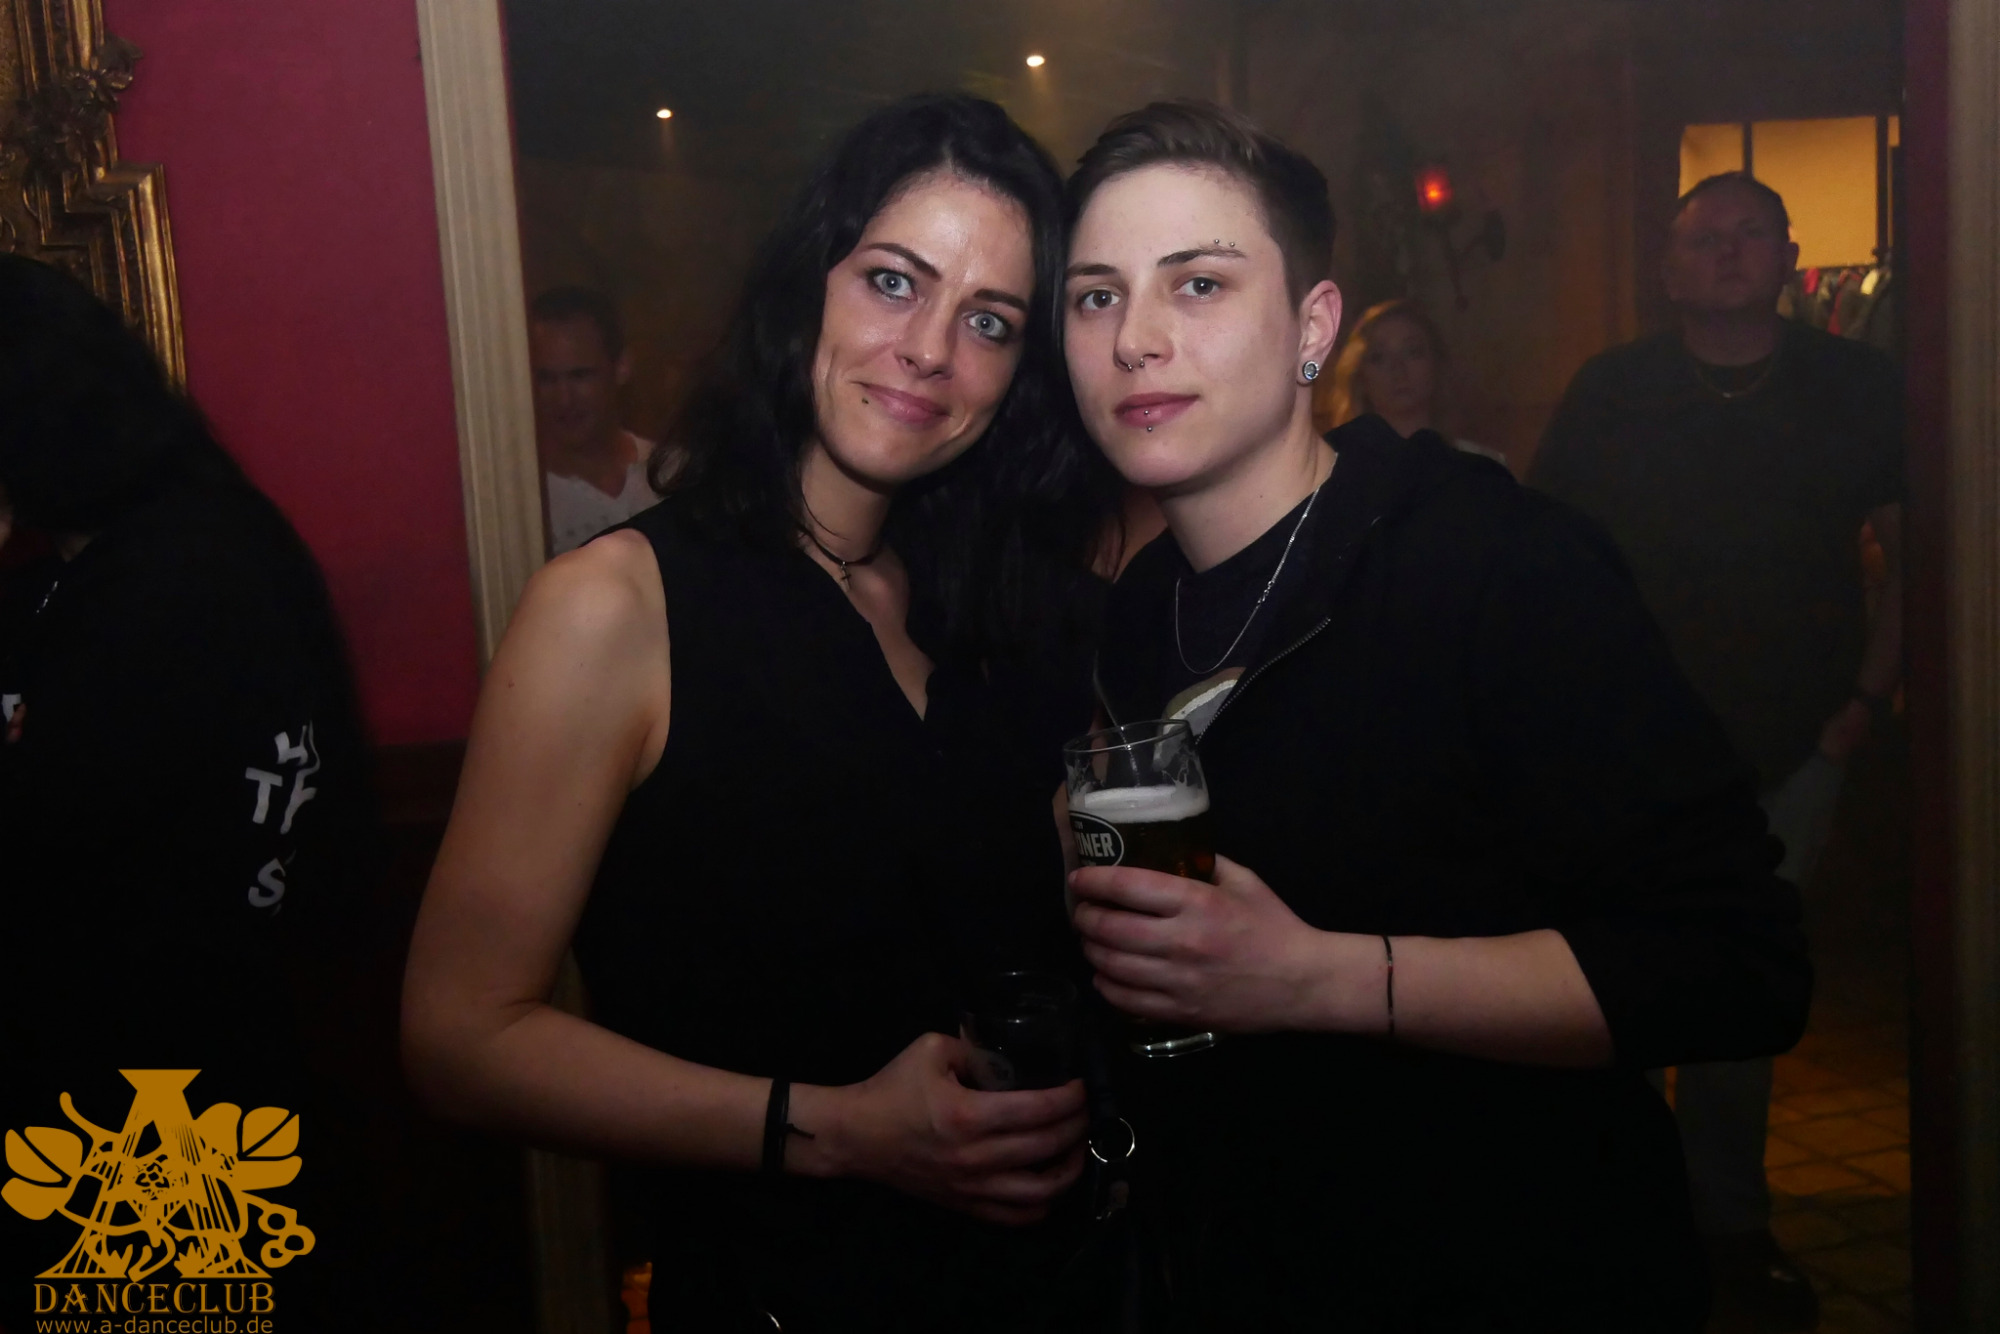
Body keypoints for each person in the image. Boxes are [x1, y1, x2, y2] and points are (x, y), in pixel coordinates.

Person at [1059, 101, 1812, 1331]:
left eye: (1196, 283)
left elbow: (1735, 965)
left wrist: (1317, 977)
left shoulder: (1492, 562)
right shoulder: (1140, 611)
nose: (1135, 338)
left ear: (1312, 328)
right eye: (1095, 297)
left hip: (1510, 1266)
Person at [403, 94, 1120, 1332]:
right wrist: (838, 1129)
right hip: (775, 1295)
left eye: (988, 320)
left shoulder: (1002, 610)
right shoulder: (616, 607)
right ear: (807, 287)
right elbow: (457, 1039)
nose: (929, 349)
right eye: (892, 282)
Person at [1530, 171, 1904, 1329]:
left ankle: (1729, 1228)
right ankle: (1623, 1225)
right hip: (1629, 750)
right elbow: (1546, 555)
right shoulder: (1613, 389)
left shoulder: (1854, 383)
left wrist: (1859, 704)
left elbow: (1914, 549)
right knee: (1623, 988)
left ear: (1786, 256)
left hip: (1795, 742)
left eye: (1750, 233)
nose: (1728, 251)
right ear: (1668, 266)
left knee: (1740, 994)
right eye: (1704, 236)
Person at [0, 255, 370, 1330]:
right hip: (177, 1073)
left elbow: (46, 854)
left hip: (152, 1100)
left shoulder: (171, 578)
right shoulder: (154, 552)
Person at [530, 286, 666, 554]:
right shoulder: (522, 498)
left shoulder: (672, 473)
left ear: (621, 367)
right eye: (546, 379)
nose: (564, 399)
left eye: (580, 376)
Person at [1321, 296, 1507, 465]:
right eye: (1379, 357)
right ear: (1359, 376)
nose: (1398, 370)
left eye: (1412, 352)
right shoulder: (1335, 473)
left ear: (1436, 362)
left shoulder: (1482, 467)